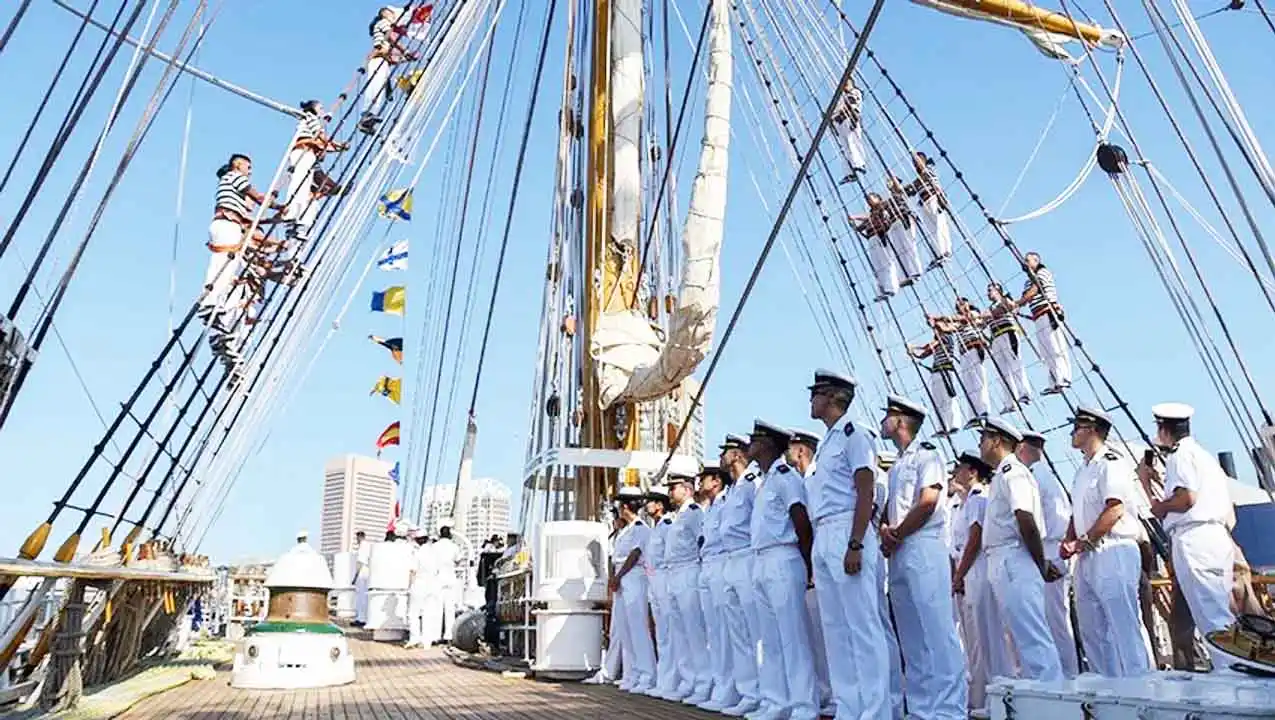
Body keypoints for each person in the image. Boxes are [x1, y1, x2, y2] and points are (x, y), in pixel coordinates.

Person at [805, 371, 888, 720]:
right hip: (824, 532)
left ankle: (875, 711)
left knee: (862, 626)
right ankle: (849, 708)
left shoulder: (856, 434)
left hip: (846, 529)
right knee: (836, 630)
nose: (811, 400)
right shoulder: (828, 441)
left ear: (834, 397)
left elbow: (865, 491)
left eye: (817, 394)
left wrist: (855, 543)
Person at [879, 395, 967, 720]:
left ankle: (949, 711)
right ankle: (921, 709)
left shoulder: (928, 455)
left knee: (936, 631)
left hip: (923, 546)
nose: (884, 420)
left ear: (901, 420)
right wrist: (887, 532)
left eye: (888, 415)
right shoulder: (898, 463)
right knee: (912, 634)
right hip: (900, 549)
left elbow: (928, 500)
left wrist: (896, 533)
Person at [1060, 407, 1151, 677]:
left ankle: (1140, 685)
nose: (1072, 432)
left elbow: (1115, 508)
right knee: (1093, 630)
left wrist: (1083, 541)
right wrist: (1070, 538)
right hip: (1087, 555)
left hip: (1113, 549)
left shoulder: (1111, 463)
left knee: (1123, 624)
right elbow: (1078, 511)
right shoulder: (1083, 470)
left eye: (1077, 427)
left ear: (1092, 429)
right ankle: (1108, 689)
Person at [978, 417, 1064, 681]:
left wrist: (1040, 563)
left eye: (983, 439)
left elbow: (1025, 518)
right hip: (1004, 559)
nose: (980, 445)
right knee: (1022, 638)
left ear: (996, 441)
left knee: (1032, 636)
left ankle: (1053, 701)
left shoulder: (1013, 472)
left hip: (1014, 558)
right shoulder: (1002, 475)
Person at [747, 420, 819, 720]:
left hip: (784, 558)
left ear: (767, 444)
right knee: (770, 640)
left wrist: (808, 564)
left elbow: (801, 520)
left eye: (755, 439)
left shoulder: (785, 476)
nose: (750, 443)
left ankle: (804, 705)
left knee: (792, 637)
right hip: (762, 560)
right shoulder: (764, 480)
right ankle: (776, 702)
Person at [1144, 403, 1236, 636]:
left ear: (1164, 428)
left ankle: (1227, 668)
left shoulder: (1180, 455)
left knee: (1210, 613)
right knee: (1214, 607)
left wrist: (1160, 507)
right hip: (1215, 535)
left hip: (1195, 538)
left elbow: (1186, 498)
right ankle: (1225, 664)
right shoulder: (1202, 456)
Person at [1019, 430, 1080, 677]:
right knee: (1051, 619)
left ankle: (1066, 675)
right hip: (1048, 550)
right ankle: (1064, 673)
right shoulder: (1044, 476)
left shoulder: (1036, 478)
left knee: (1053, 620)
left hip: (1048, 551)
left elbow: (1039, 521)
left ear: (1022, 448)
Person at [200, 154, 281, 332]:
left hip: (224, 223)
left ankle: (213, 306)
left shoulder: (229, 183)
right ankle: (211, 303)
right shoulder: (234, 177)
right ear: (237, 165)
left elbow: (251, 212)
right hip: (228, 224)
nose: (250, 171)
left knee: (222, 266)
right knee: (226, 266)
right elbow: (257, 198)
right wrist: (279, 207)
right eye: (248, 167)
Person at [950, 451, 1005, 712]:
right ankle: (979, 699)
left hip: (977, 569)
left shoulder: (979, 498)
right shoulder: (962, 503)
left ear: (972, 472)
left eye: (959, 468)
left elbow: (975, 540)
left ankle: (992, 698)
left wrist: (959, 574)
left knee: (985, 637)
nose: (955, 472)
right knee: (972, 638)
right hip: (965, 571)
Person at [786, 429, 832, 717]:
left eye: (790, 446)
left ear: (801, 450)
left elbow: (809, 524)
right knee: (815, 634)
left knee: (829, 633)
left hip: (821, 558)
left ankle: (832, 695)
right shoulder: (802, 479)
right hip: (812, 561)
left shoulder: (816, 476)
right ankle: (823, 694)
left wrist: (812, 566)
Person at [716, 435, 763, 716]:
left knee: (755, 631)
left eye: (725, 452)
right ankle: (748, 692)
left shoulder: (752, 482)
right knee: (738, 633)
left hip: (747, 556)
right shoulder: (734, 488)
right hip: (730, 560)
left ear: (735, 455)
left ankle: (763, 693)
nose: (721, 457)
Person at [696, 465, 739, 711]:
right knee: (715, 632)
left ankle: (734, 690)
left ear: (716, 481)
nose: (699, 483)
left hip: (724, 562)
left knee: (728, 632)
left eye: (704, 479)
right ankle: (722, 687)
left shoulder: (726, 501)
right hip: (708, 566)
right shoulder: (708, 508)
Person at [665, 472, 711, 702]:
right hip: (673, 573)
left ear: (687, 489)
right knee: (679, 631)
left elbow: (702, 541)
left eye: (673, 488)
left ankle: (703, 682)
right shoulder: (676, 516)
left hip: (689, 571)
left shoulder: (694, 513)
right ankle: (688, 680)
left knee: (694, 630)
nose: (669, 493)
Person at [610, 485, 656, 693]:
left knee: (638, 627)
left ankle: (647, 674)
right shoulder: (624, 530)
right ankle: (632, 674)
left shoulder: (640, 528)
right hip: (622, 578)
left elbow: (635, 554)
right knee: (625, 627)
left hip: (633, 576)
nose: (619, 508)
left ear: (626, 506)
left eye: (620, 504)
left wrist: (618, 577)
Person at [282, 100, 346, 241]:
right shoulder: (311, 118)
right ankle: (291, 217)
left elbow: (322, 144)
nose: (323, 110)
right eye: (321, 107)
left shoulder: (308, 120)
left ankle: (296, 223)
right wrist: (338, 146)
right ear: (314, 109)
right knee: (299, 186)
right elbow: (321, 139)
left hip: (306, 153)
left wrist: (337, 147)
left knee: (302, 188)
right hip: (303, 152)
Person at [643, 484, 680, 698]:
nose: (646, 505)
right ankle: (664, 679)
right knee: (661, 633)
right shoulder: (656, 527)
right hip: (653, 579)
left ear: (659, 505)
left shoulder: (667, 525)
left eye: (650, 501)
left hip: (665, 577)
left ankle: (672, 680)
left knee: (669, 631)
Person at [1016, 251, 1072, 395]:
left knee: (1055, 346)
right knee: (1045, 351)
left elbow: (1034, 290)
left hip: (1048, 312)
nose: (1026, 263)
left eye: (1028, 261)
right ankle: (1054, 381)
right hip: (1037, 316)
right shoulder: (1028, 281)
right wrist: (1017, 303)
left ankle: (1063, 378)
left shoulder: (1043, 272)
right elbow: (1025, 295)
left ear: (1037, 261)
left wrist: (1018, 303)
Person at [362, 7, 419, 134]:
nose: (394, 17)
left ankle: (369, 118)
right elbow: (390, 38)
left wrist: (406, 58)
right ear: (385, 14)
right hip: (378, 59)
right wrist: (406, 52)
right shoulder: (383, 22)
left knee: (378, 90)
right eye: (392, 14)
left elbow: (392, 58)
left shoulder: (385, 25)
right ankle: (367, 115)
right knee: (375, 88)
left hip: (383, 60)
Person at [907, 317, 962, 435]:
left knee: (948, 398)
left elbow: (929, 346)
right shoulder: (938, 340)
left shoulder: (947, 337)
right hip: (936, 371)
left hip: (946, 370)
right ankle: (942, 427)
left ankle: (954, 424)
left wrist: (915, 347)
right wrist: (914, 354)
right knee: (938, 401)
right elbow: (925, 353)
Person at [984, 282, 1032, 413]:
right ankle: (1010, 402)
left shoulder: (1005, 300)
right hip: (996, 338)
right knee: (1003, 371)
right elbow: (982, 321)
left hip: (1007, 333)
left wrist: (989, 314)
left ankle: (1024, 393)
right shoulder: (989, 308)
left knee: (1015, 363)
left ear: (998, 290)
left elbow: (1010, 307)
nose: (988, 292)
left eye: (991, 290)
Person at [902, 150, 952, 265]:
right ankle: (937, 253)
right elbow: (911, 191)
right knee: (931, 229)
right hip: (924, 203)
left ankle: (944, 252)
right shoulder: (920, 177)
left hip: (933, 199)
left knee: (938, 226)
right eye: (914, 162)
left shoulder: (928, 170)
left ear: (923, 160)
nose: (915, 164)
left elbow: (921, 181)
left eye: (917, 161)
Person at [850, 194, 900, 301]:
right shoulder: (871, 215)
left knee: (886, 262)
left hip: (881, 236)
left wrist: (856, 217)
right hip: (872, 239)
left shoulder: (882, 207)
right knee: (877, 266)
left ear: (878, 198)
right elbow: (861, 227)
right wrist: (854, 226)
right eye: (867, 199)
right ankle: (882, 290)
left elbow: (869, 217)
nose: (868, 200)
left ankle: (891, 287)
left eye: (870, 198)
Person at [886, 175, 925, 283]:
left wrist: (893, 177)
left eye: (892, 182)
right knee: (900, 250)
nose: (890, 184)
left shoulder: (902, 192)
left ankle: (916, 270)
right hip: (895, 223)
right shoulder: (889, 201)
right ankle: (906, 274)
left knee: (909, 245)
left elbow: (907, 189)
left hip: (904, 219)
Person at [406, 530, 439, 649]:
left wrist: (409, 586)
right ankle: (427, 642)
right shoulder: (434, 553)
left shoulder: (417, 553)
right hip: (432, 585)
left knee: (413, 613)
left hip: (419, 584)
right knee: (428, 614)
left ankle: (414, 638)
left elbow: (413, 571)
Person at [833, 77, 867, 184]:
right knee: (844, 146)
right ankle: (849, 172)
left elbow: (852, 107)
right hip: (841, 123)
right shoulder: (842, 97)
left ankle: (859, 165)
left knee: (853, 142)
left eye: (847, 83)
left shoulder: (855, 92)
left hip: (849, 119)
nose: (845, 86)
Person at [433, 523, 461, 644]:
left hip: (437, 578)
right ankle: (448, 636)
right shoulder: (454, 546)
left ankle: (436, 635)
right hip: (450, 577)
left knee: (437, 608)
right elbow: (458, 560)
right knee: (450, 609)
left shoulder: (434, 547)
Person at [353, 530, 371, 626]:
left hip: (362, 571)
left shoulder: (362, 547)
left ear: (360, 537)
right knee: (365, 596)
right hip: (368, 572)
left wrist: (355, 577)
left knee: (360, 597)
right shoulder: (369, 546)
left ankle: (360, 619)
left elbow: (360, 562)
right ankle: (363, 617)